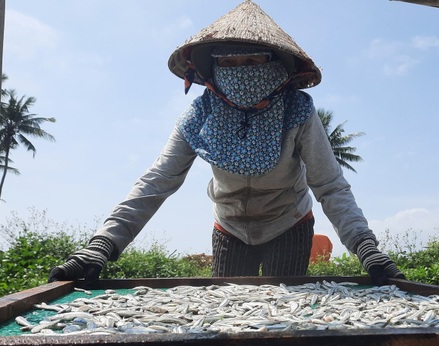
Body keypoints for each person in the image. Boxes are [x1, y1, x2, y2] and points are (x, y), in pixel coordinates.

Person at [48, 0, 405, 285]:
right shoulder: (200, 114)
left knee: (287, 320)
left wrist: (366, 248)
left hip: (288, 223)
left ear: (275, 65)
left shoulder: (297, 110)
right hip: (230, 227)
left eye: (252, 60)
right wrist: (102, 245)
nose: (242, 69)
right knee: (231, 318)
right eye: (230, 62)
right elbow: (157, 181)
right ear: (215, 68)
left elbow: (329, 185)